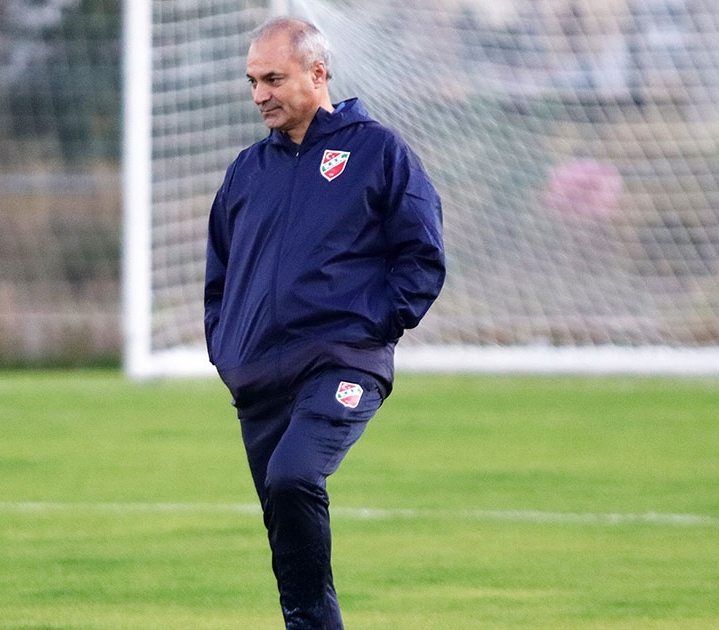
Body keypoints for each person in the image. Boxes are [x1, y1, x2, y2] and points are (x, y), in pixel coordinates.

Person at [203, 16, 445, 629]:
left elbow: (422, 256)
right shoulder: (246, 171)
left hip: (342, 364)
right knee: (286, 531)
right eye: (253, 81)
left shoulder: (376, 151)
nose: (259, 95)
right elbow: (218, 277)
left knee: (294, 475)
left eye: (273, 79)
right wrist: (227, 349)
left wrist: (369, 328)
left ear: (317, 74)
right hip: (258, 377)